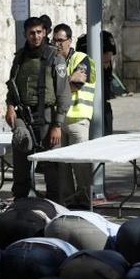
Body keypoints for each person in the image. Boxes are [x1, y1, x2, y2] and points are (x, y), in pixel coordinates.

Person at [6, 17, 71, 202]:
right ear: (25, 34)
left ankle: (55, 205)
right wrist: (10, 107)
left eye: (39, 32)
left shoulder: (55, 57)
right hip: (23, 115)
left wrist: (57, 124)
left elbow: (64, 93)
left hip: (48, 117)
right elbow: (12, 87)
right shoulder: (19, 57)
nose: (36, 36)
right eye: (32, 33)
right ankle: (20, 202)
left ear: (45, 33)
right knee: (21, 152)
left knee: (52, 166)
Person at [52, 24, 96, 208]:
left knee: (81, 166)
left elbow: (78, 80)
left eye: (61, 40)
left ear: (70, 40)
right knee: (61, 167)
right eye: (54, 40)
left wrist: (57, 88)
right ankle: (68, 203)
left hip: (78, 119)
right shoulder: (53, 60)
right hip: (59, 121)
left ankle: (86, 203)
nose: (57, 44)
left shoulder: (82, 58)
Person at [76, 30, 119, 134]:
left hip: (102, 103)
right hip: (86, 104)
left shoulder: (104, 37)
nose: (109, 58)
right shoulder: (84, 40)